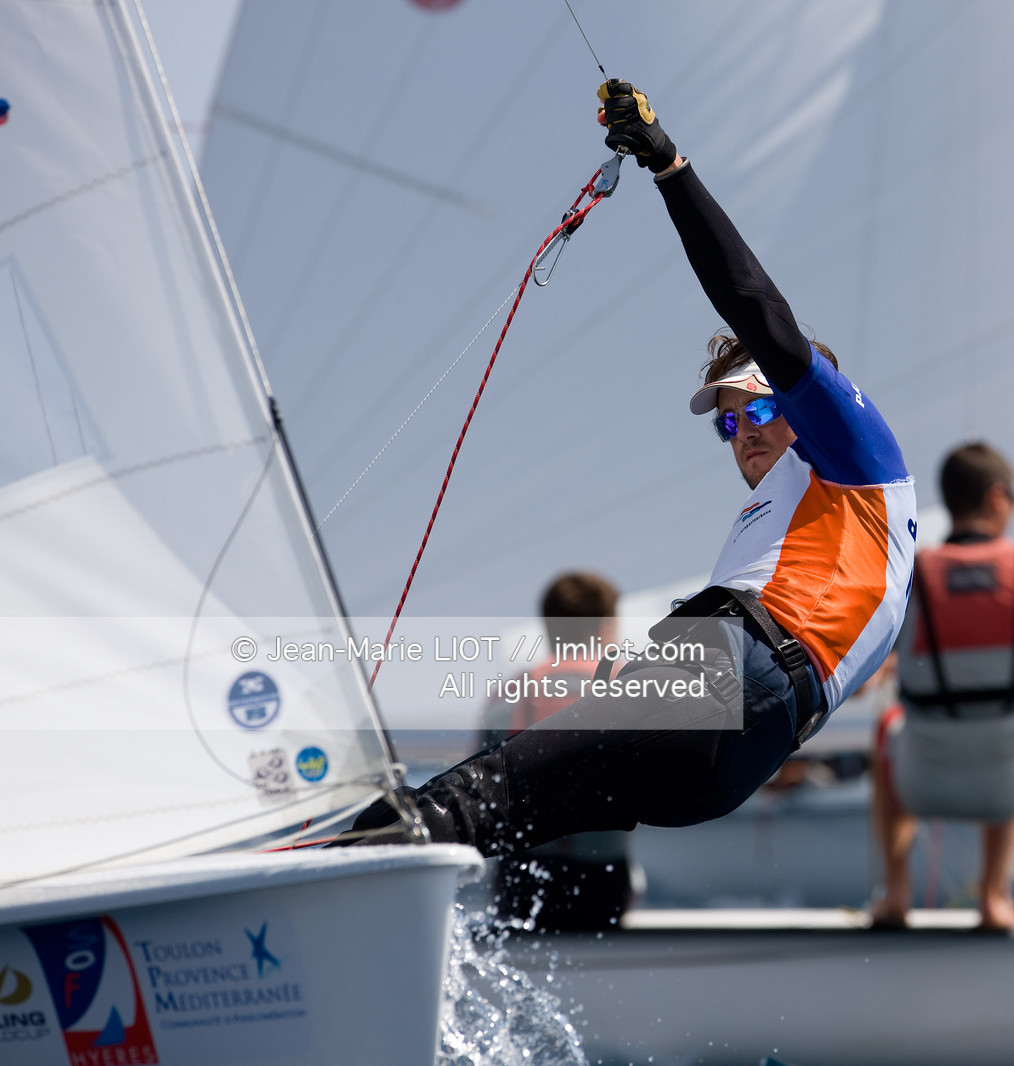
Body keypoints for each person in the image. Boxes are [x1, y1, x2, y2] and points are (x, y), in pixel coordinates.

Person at [337, 80, 916, 855]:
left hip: (739, 681)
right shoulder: (809, 522)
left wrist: (670, 167)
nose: (742, 432)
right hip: (736, 756)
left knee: (484, 793)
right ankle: (374, 891)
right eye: (728, 423)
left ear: (806, 402)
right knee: (493, 823)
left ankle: (321, 866)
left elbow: (753, 303)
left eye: (758, 407)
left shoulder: (855, 456)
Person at [871, 442, 1014, 931]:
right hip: (1007, 784)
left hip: (919, 783)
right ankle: (993, 896)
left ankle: (896, 891)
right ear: (998, 497)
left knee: (886, 726)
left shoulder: (912, 576)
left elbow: (882, 652)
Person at [479, 572, 637, 930]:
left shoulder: (510, 694)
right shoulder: (631, 686)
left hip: (525, 873)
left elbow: (480, 786)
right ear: (606, 625)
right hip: (601, 873)